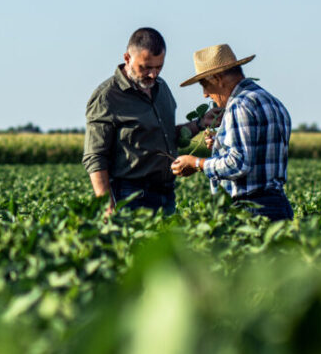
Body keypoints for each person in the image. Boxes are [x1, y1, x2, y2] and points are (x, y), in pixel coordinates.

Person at [83, 27, 219, 216]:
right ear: (127, 58)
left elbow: (167, 135)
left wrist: (200, 123)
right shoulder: (107, 97)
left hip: (166, 193)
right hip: (130, 195)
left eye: (158, 67)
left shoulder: (161, 88)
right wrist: (107, 206)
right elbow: (95, 157)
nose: (153, 74)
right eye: (146, 67)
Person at [170, 44, 294, 220]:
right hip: (278, 205)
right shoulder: (272, 101)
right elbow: (258, 152)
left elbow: (238, 163)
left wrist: (196, 163)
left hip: (251, 209)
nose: (205, 94)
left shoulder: (239, 105)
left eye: (204, 85)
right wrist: (221, 144)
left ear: (218, 78)